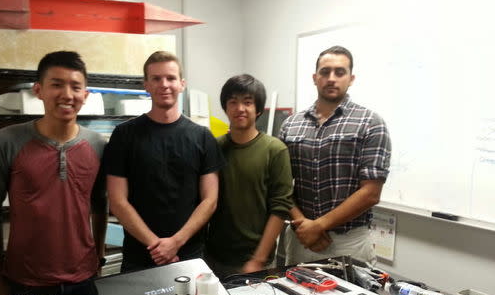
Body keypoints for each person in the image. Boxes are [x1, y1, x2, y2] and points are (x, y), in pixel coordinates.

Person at [0, 51, 107, 295]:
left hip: (84, 280)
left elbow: (100, 205)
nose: (67, 94)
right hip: (26, 281)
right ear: (39, 90)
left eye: (75, 86)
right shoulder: (8, 141)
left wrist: (99, 258)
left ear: (86, 95)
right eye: (56, 84)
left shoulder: (98, 145)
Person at [104, 51, 224, 272]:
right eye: (156, 78)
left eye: (170, 78)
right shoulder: (124, 135)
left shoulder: (202, 137)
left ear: (182, 84)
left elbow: (210, 201)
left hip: (189, 257)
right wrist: (157, 246)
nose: (164, 84)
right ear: (146, 85)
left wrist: (175, 242)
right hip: (138, 258)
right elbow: (117, 200)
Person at [279, 45, 391, 265]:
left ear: (351, 78)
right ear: (315, 77)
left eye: (340, 72)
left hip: (349, 242)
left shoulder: (370, 123)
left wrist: (319, 226)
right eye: (325, 71)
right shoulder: (290, 125)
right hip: (301, 237)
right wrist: (303, 224)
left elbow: (371, 193)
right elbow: (279, 185)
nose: (331, 78)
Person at [205, 74, 293, 278]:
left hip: (255, 260)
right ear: (226, 107)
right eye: (233, 102)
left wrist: (258, 259)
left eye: (247, 102)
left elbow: (280, 208)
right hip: (214, 257)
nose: (240, 108)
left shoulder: (275, 150)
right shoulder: (214, 148)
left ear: (259, 109)